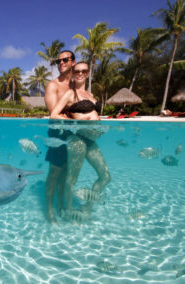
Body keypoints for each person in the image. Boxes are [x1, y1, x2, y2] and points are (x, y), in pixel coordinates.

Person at [50, 62, 111, 213]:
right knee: (72, 178)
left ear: (88, 73)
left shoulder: (91, 95)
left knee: (105, 176)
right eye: (77, 71)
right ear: (72, 73)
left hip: (91, 140)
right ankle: (68, 210)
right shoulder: (70, 94)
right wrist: (75, 122)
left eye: (84, 71)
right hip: (77, 139)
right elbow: (54, 114)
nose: (80, 73)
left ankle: (87, 207)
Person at [44, 50, 76, 222]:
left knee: (66, 174)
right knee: (54, 174)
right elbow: (54, 113)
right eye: (58, 61)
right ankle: (49, 210)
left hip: (72, 136)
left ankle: (62, 205)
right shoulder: (53, 86)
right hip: (57, 135)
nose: (61, 63)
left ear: (73, 62)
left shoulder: (75, 85)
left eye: (65, 60)